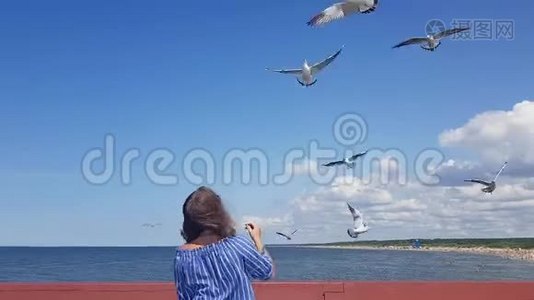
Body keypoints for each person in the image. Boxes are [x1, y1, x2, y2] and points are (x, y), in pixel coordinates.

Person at [173, 186, 273, 300]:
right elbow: (265, 271)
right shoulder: (237, 245)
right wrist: (257, 238)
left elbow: (185, 296)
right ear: (219, 214)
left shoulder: (182, 256)